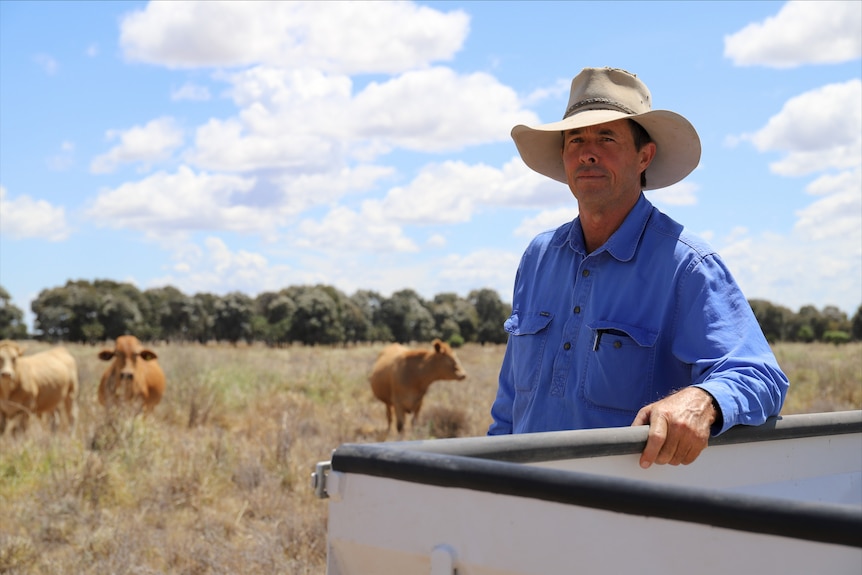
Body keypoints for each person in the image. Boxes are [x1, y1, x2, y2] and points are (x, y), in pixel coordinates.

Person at [488, 67, 789, 468]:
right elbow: (510, 401)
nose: (587, 152)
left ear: (644, 156)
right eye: (575, 139)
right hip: (525, 505)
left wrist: (703, 400)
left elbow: (760, 376)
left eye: (606, 138)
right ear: (563, 157)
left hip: (626, 510)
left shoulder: (687, 265)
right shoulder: (538, 257)